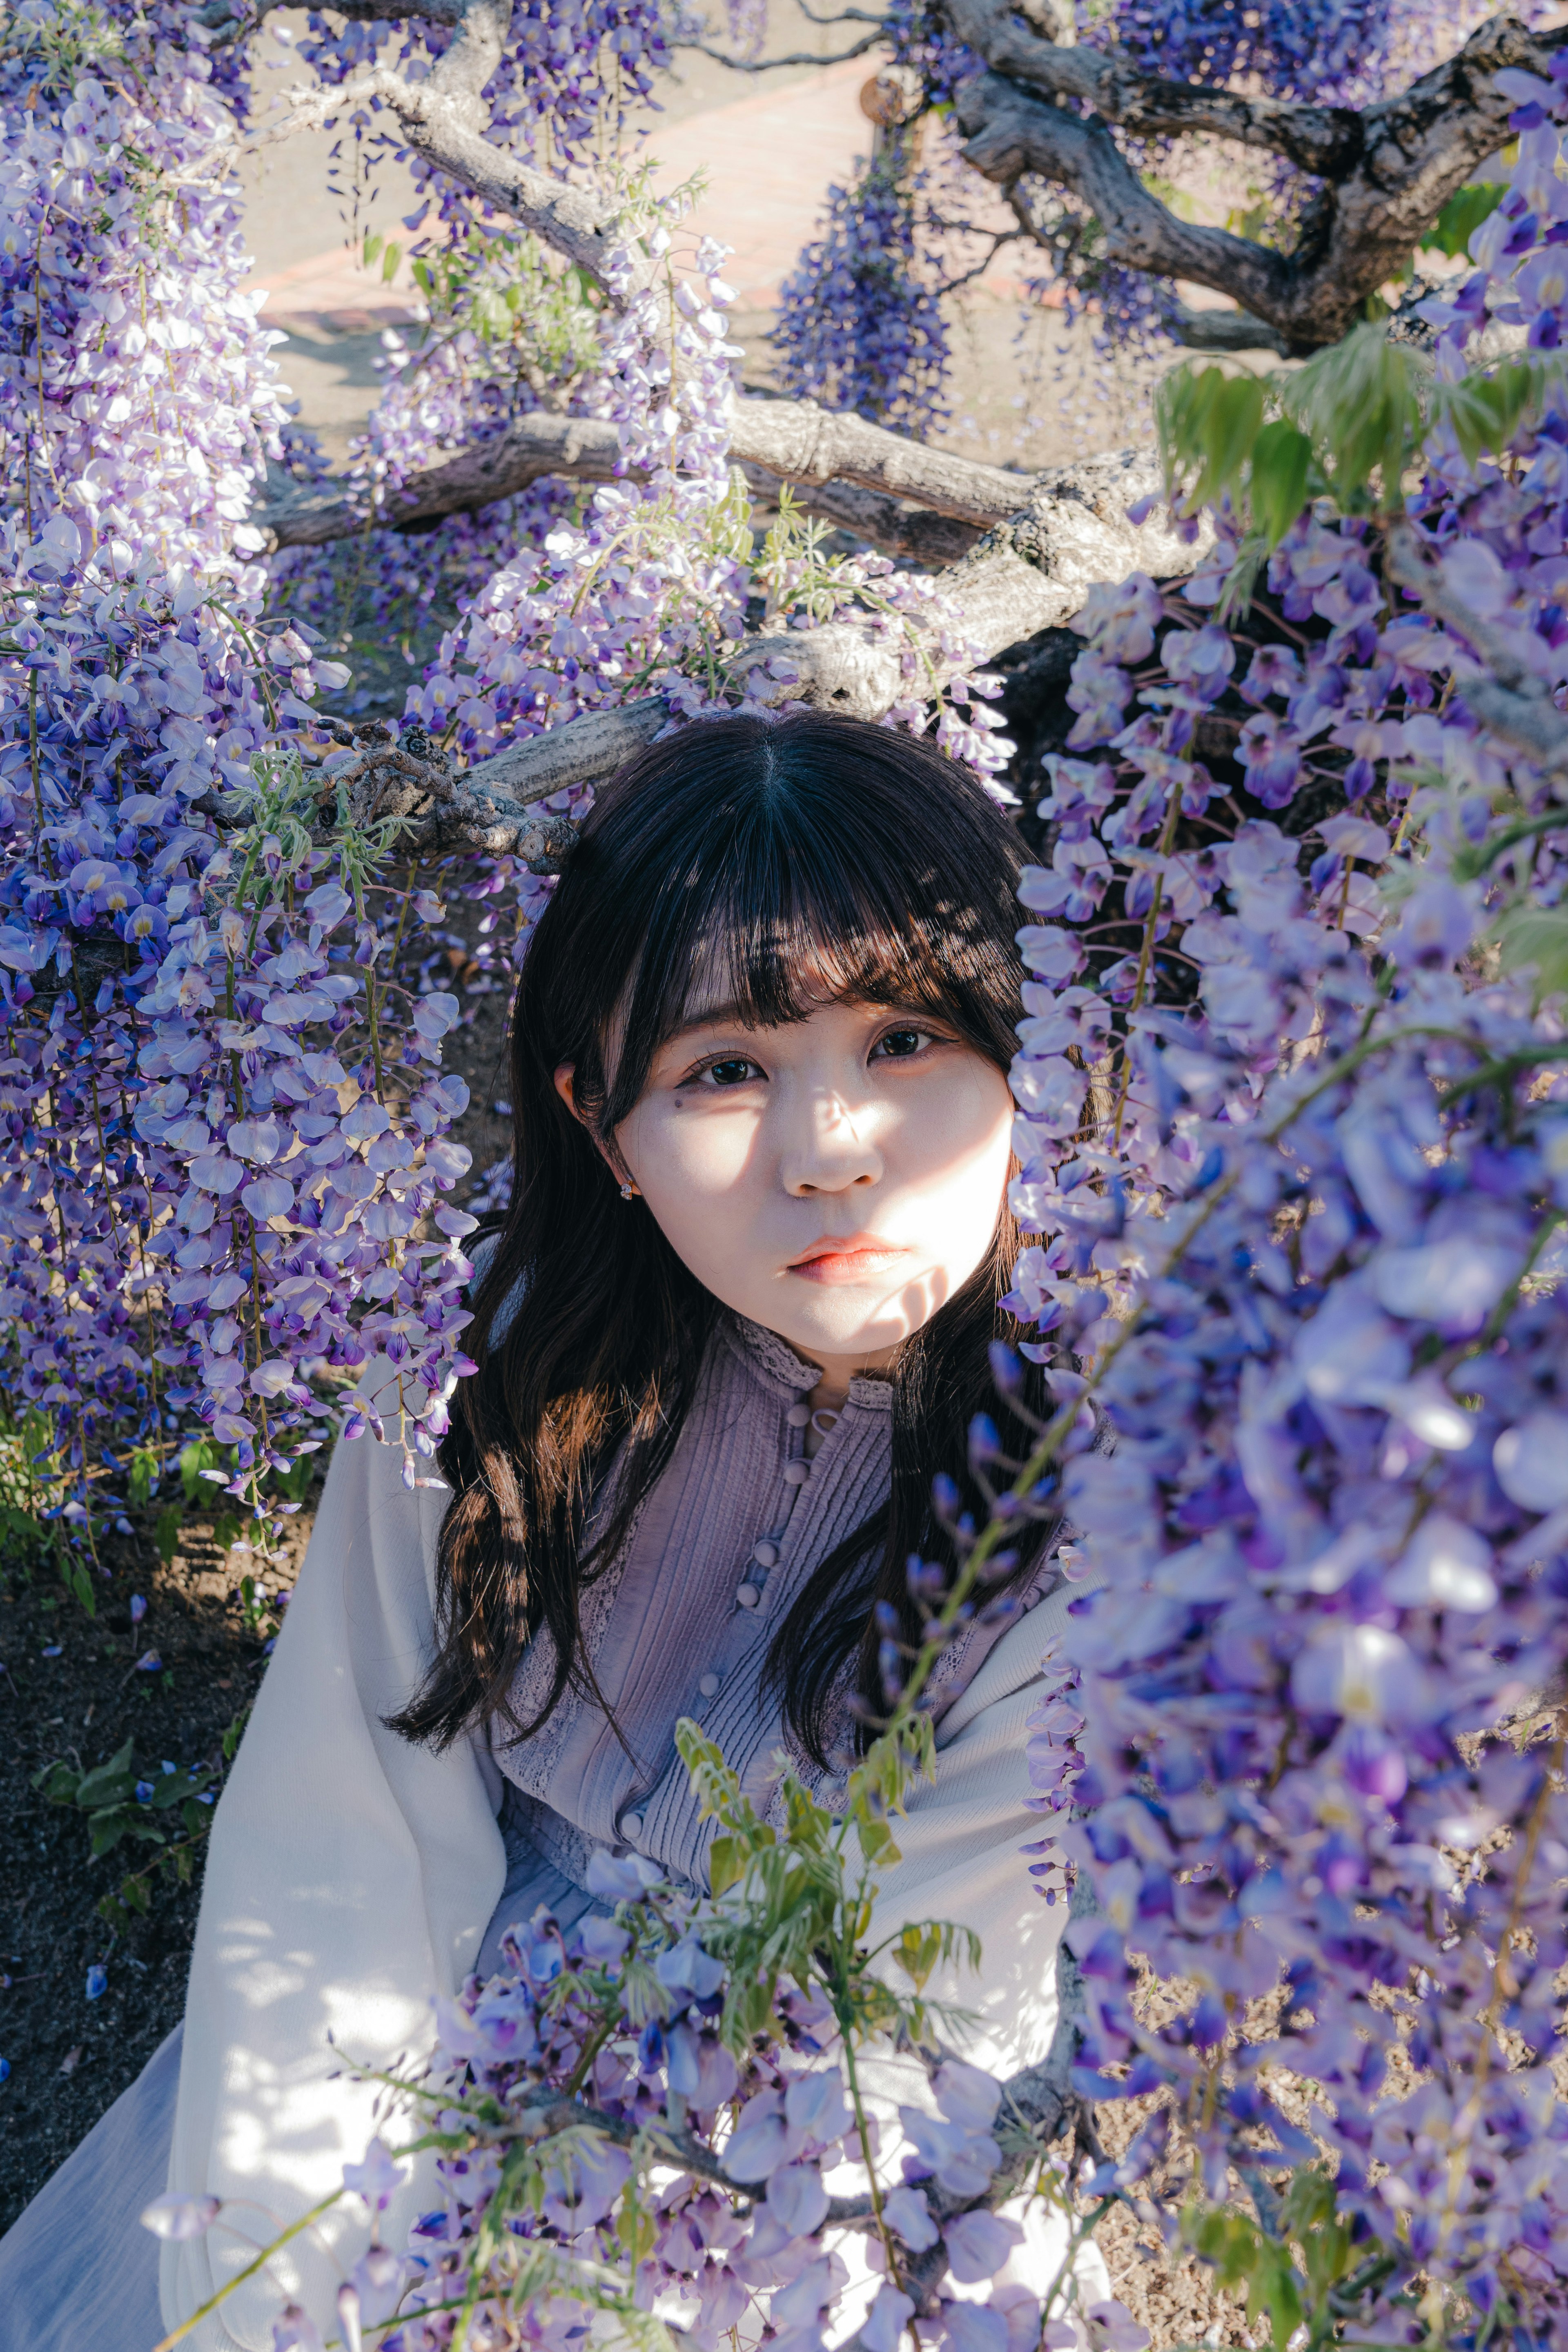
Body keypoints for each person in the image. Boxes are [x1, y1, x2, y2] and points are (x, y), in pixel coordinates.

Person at [0, 710, 1105, 2350]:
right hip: (430, 2058)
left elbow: (914, 2025)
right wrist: (288, 2290)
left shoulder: (1108, 1492)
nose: (829, 1156)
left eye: (907, 1043)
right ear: (605, 1131)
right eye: (725, 1070)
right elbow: (344, 1840)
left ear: (1042, 1048)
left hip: (824, 2196)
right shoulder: (496, 1370)